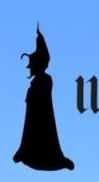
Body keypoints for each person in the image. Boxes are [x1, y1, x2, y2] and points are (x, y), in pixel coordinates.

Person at [13, 26, 75, 171]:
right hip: (34, 112)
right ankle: (26, 150)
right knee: (31, 131)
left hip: (41, 114)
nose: (30, 68)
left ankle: (50, 157)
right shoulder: (38, 80)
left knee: (42, 133)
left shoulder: (45, 79)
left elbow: (42, 97)